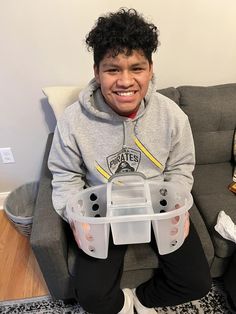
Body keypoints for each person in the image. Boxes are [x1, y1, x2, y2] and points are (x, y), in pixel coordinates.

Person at [48, 8, 211, 314]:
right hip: (103, 212)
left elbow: (180, 168)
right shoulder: (73, 121)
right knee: (93, 298)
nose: (125, 81)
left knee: (196, 282)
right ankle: (123, 304)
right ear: (97, 72)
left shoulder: (172, 116)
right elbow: (65, 175)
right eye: (112, 70)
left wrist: (178, 205)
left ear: (150, 69)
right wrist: (73, 216)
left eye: (136, 68)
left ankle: (142, 299)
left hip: (158, 209)